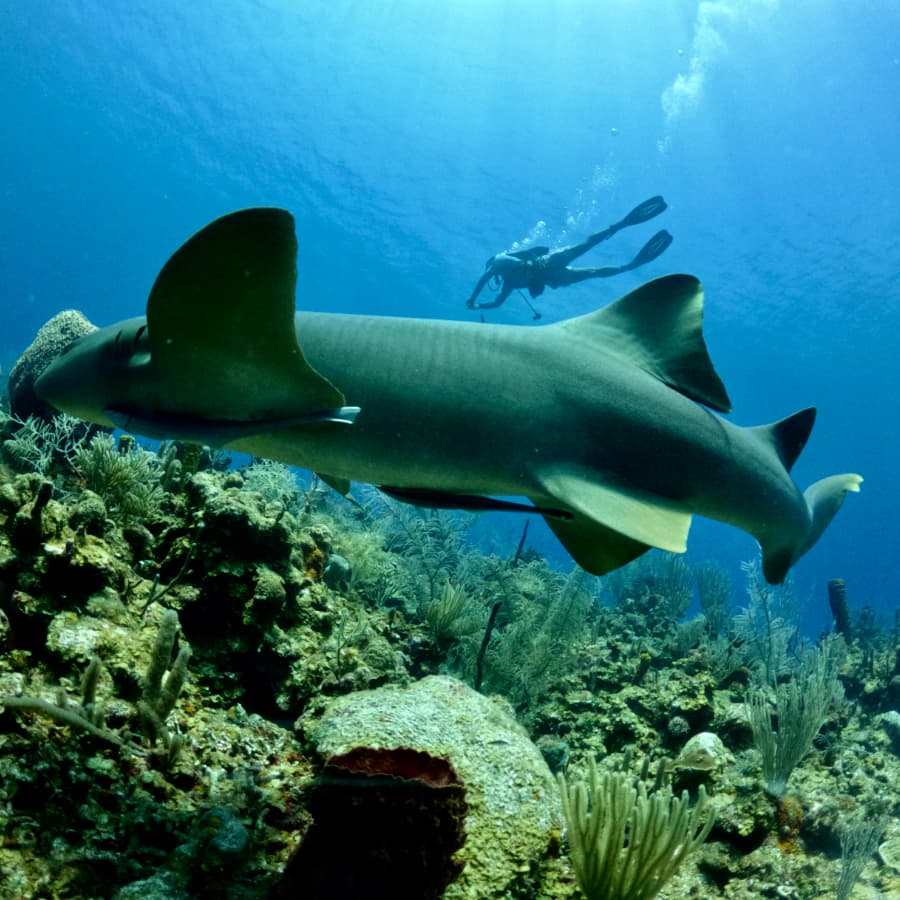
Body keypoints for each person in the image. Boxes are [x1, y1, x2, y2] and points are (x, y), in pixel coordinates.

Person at [466, 196, 673, 312]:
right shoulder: (508, 283)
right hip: (552, 273)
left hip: (548, 266)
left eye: (490, 267)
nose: (491, 272)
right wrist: (477, 305)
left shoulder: (500, 260)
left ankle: (619, 229)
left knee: (587, 251)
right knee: (591, 266)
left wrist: (473, 299)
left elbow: (485, 279)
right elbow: (497, 303)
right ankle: (628, 262)